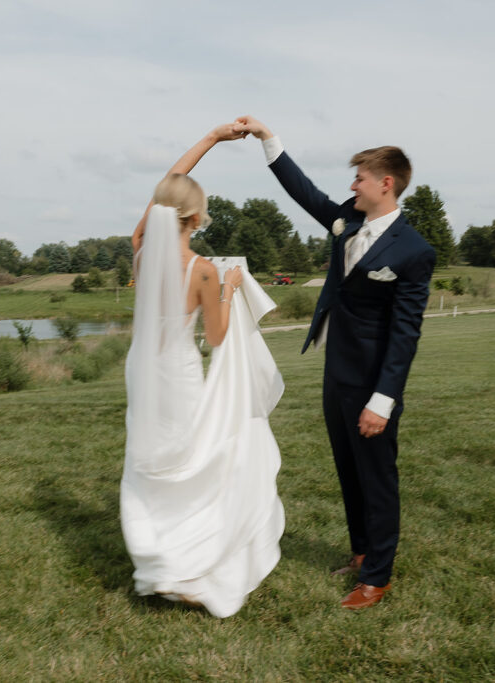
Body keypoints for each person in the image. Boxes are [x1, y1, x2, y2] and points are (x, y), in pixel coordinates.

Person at [236, 115, 436, 610]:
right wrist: (268, 140)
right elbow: (304, 193)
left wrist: (383, 401)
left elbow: (405, 333)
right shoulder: (347, 221)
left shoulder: (414, 251)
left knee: (377, 477)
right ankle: (362, 551)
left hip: (373, 382)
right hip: (336, 372)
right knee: (348, 470)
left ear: (385, 184)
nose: (353, 185)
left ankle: (378, 577)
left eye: (360, 178)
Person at [120, 123, 285, 618]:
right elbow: (215, 337)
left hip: (143, 372)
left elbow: (170, 180)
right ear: (195, 217)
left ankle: (163, 558)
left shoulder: (142, 251)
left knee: (155, 459)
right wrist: (231, 287)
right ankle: (192, 564)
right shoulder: (204, 270)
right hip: (180, 372)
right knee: (196, 461)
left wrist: (211, 139)